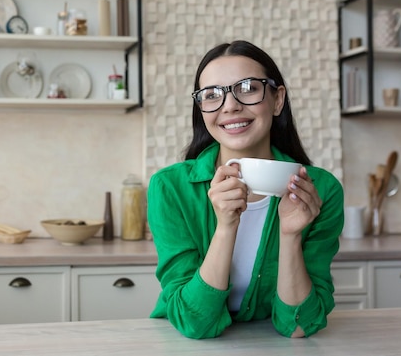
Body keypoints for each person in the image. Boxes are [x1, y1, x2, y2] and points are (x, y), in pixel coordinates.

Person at [147, 40, 344, 339]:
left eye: (249, 88)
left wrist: (290, 236)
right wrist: (225, 227)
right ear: (201, 108)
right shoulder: (170, 188)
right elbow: (193, 323)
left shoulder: (320, 190)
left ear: (277, 100)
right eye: (211, 95)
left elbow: (299, 326)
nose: (230, 106)